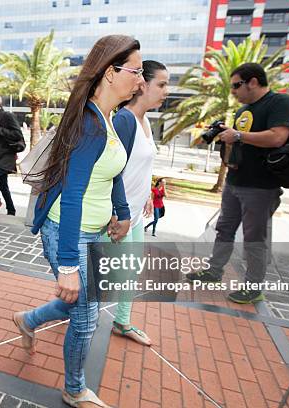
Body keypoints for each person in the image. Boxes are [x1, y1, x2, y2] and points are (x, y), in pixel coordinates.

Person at [13, 35, 143, 408]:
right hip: (66, 233)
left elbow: (114, 170)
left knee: (80, 307)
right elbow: (71, 196)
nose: (141, 80)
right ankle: (74, 389)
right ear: (109, 72)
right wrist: (68, 265)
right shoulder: (90, 124)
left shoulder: (109, 118)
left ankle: (28, 319)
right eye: (135, 71)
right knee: (86, 316)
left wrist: (122, 212)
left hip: (94, 231)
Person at [187, 62, 289, 304]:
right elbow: (240, 146)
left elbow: (278, 137)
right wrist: (228, 141)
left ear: (253, 82)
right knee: (224, 230)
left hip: (261, 186)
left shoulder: (279, 103)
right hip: (235, 181)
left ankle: (254, 287)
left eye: (236, 85)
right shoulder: (242, 111)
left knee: (255, 239)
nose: (233, 91)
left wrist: (238, 135)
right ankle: (214, 271)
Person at [108, 60, 169, 347]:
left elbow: (139, 163)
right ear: (142, 84)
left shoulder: (145, 121)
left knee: (129, 271)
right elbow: (111, 168)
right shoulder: (125, 120)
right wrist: (116, 212)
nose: (166, 91)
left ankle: (122, 321)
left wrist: (146, 195)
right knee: (101, 275)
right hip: (118, 216)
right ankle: (43, 314)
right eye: (162, 84)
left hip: (134, 213)